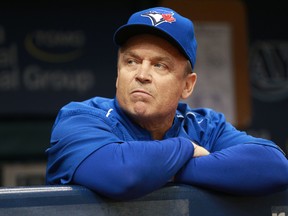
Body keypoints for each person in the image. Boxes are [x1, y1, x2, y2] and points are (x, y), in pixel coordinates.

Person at [45, 6, 288, 200]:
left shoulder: (204, 126)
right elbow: (122, 174)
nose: (142, 74)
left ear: (187, 85)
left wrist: (166, 170)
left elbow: (274, 166)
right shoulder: (80, 118)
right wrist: (187, 149)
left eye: (160, 65)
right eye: (131, 62)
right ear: (118, 73)